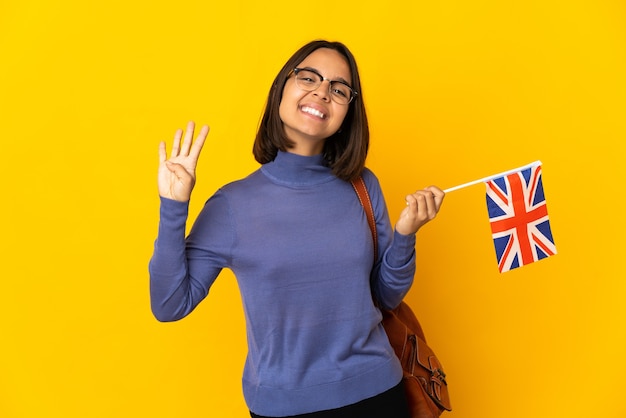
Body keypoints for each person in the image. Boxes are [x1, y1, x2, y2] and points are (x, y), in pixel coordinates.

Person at [149, 40, 445, 418]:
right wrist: (173, 206)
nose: (322, 92)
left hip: (378, 393)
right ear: (281, 89)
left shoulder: (362, 185)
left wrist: (406, 235)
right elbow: (169, 304)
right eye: (309, 77)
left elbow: (384, 297)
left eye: (339, 89)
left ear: (347, 112)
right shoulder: (232, 204)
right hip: (282, 408)